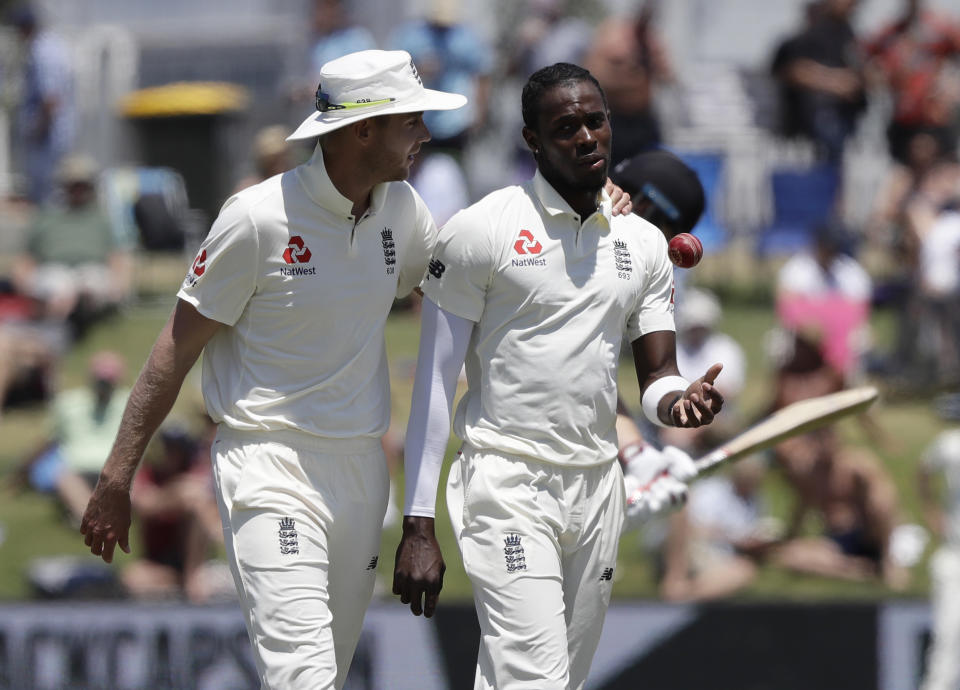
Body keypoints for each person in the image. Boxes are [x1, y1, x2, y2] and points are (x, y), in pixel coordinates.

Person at [80, 50, 468, 689]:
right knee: (304, 677)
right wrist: (118, 475)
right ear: (363, 128)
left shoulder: (405, 211)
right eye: (412, 120)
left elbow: (468, 283)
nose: (425, 134)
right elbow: (172, 351)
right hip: (267, 465)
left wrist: (596, 208)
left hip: (361, 471)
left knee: (325, 676)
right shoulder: (256, 218)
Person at [392, 63, 724, 689]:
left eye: (596, 122)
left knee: (554, 681)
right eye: (565, 127)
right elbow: (434, 388)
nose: (586, 137)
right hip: (507, 484)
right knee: (535, 681)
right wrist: (418, 522)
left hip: (597, 490)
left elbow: (656, 377)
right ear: (533, 141)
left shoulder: (644, 245)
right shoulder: (480, 231)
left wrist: (679, 403)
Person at [11, 154, 134, 336]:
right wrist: (24, 284)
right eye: (74, 185)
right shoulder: (46, 217)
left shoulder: (101, 219)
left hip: (92, 271)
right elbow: (26, 259)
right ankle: (59, 327)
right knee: (58, 286)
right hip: (54, 271)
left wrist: (120, 283)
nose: (78, 190)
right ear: (64, 186)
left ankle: (80, 317)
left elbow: (117, 256)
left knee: (91, 284)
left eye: (82, 185)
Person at [14, 351, 129, 524]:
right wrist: (23, 469)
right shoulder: (69, 403)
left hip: (115, 469)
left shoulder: (129, 402)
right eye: (101, 381)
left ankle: (99, 518)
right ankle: (91, 519)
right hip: (77, 467)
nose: (103, 386)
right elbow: (48, 440)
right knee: (65, 479)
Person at [123, 422, 227, 603]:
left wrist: (176, 497)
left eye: (177, 448)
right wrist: (176, 495)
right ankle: (181, 583)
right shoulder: (149, 473)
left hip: (195, 563)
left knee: (197, 507)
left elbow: (207, 514)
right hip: (160, 564)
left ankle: (190, 576)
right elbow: (143, 504)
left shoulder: (196, 471)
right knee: (132, 578)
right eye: (168, 447)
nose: (172, 453)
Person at [660, 456, 781, 602]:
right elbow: (692, 528)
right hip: (698, 547)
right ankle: (682, 592)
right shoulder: (712, 491)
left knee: (744, 571)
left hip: (728, 552)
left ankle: (686, 595)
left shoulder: (757, 499)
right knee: (742, 572)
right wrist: (734, 539)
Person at [864, 0, 960, 166]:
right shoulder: (891, 32)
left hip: (932, 117)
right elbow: (864, 60)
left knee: (936, 171)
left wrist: (951, 87)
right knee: (902, 171)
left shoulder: (938, 27)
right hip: (901, 117)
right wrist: (880, 78)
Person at [770, 0, 866, 164]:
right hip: (815, 119)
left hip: (849, 117)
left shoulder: (847, 34)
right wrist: (835, 82)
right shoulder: (806, 38)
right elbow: (793, 70)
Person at [583, 3, 675, 166]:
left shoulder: (650, 40)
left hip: (643, 120)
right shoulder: (612, 35)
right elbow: (593, 75)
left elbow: (668, 77)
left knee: (649, 168)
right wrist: (629, 77)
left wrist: (654, 66)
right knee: (609, 170)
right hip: (615, 119)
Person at [6, 3, 75, 204]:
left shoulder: (42, 52)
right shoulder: (53, 45)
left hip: (47, 139)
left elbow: (51, 99)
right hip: (53, 136)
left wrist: (37, 131)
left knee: (46, 195)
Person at [917, 425, 960, 690]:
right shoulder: (951, 444)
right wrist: (931, 512)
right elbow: (923, 469)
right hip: (955, 555)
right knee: (948, 641)